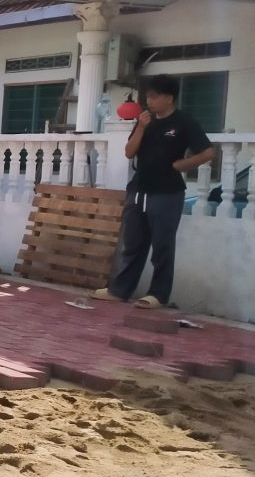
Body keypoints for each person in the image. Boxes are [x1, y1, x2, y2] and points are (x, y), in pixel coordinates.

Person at [92, 74, 215, 309]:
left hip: (167, 192)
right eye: (147, 96)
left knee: (162, 245)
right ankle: (120, 290)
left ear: (169, 98)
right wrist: (140, 126)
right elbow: (129, 152)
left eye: (154, 97)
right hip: (139, 190)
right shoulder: (146, 122)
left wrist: (184, 165)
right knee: (133, 243)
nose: (149, 101)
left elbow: (208, 152)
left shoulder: (184, 122)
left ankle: (158, 294)